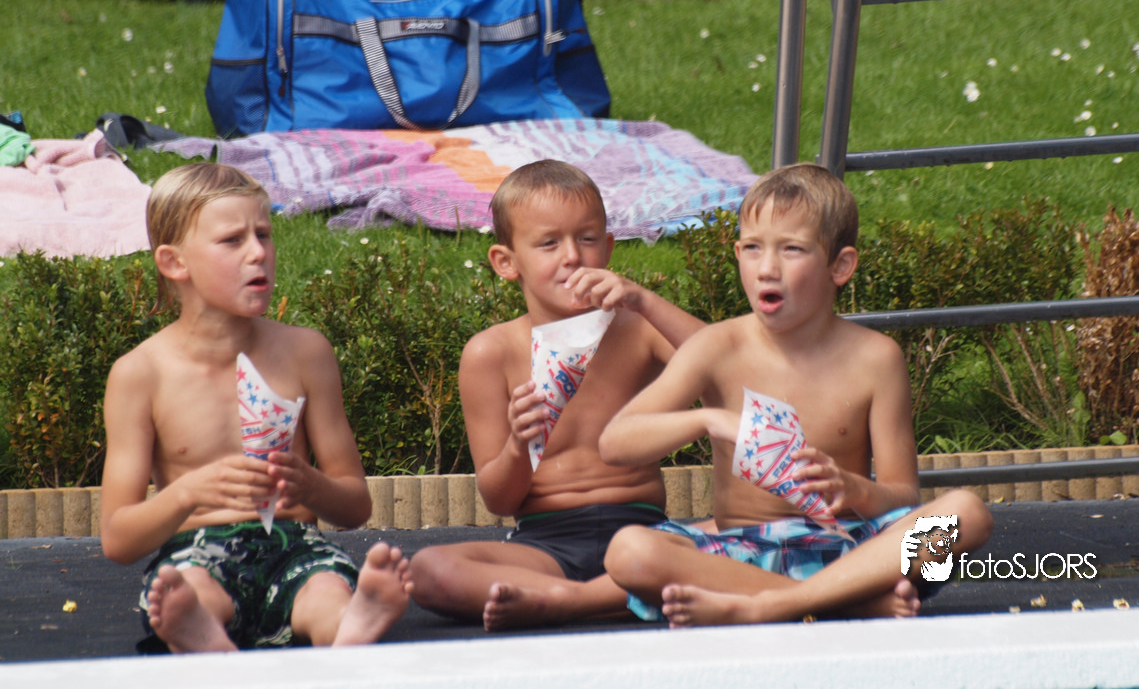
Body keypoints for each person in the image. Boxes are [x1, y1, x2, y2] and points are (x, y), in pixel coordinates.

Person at [598, 162, 993, 626]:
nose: (767, 269)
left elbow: (902, 493)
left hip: (850, 549)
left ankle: (772, 605)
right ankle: (841, 604)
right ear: (738, 253)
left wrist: (854, 490)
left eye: (792, 249)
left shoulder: (876, 358)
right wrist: (708, 419)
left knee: (965, 514)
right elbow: (615, 443)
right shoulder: (715, 346)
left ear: (840, 266)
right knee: (630, 551)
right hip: (742, 553)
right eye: (752, 248)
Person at [99, 162, 411, 652]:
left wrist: (311, 485)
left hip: (296, 545)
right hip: (196, 551)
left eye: (263, 234)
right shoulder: (141, 374)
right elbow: (118, 539)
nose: (258, 253)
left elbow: (355, 506)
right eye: (232, 240)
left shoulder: (306, 353)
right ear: (174, 262)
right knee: (191, 589)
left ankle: (347, 628)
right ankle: (201, 631)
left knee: (323, 588)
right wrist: (187, 494)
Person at [408, 159, 704, 631]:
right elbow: (500, 499)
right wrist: (517, 445)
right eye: (549, 243)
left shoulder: (639, 329)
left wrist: (645, 300)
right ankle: (607, 598)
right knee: (428, 570)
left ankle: (567, 603)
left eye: (587, 239)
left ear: (608, 248)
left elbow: (729, 365)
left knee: (744, 535)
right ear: (506, 262)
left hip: (645, 536)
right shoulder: (491, 353)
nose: (572, 256)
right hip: (546, 547)